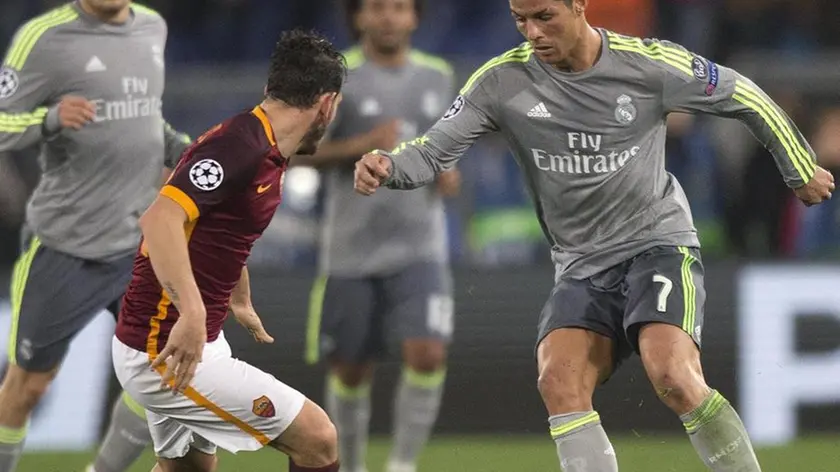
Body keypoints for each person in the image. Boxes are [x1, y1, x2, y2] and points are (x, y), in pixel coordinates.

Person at [353, 0, 836, 471]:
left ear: (580, 5)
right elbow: (435, 149)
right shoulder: (501, 81)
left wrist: (798, 166)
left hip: (657, 245)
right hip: (581, 264)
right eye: (520, 20)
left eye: (545, 17)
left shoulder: (647, 64)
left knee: (673, 376)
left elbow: (743, 94)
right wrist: (390, 164)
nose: (533, 33)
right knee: (557, 382)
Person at [112, 29, 346, 472]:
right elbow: (160, 220)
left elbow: (214, 224)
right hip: (164, 347)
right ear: (328, 103)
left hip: (185, 341)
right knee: (318, 438)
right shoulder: (240, 147)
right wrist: (195, 313)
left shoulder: (258, 144)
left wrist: (237, 297)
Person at [0, 2, 191, 471]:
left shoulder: (153, 27)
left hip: (139, 248)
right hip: (66, 249)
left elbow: (146, 115)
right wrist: (48, 120)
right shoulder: (43, 38)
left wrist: (184, 150)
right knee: (29, 387)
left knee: (166, 376)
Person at [293, 1, 459, 471]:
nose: (389, 17)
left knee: (427, 354)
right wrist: (356, 146)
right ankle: (353, 465)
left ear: (415, 18)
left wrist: (448, 174)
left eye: (400, 8)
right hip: (351, 250)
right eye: (378, 7)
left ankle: (402, 465)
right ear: (359, 17)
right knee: (349, 368)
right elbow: (296, 153)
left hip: (420, 247)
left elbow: (446, 147)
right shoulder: (337, 78)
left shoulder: (438, 76)